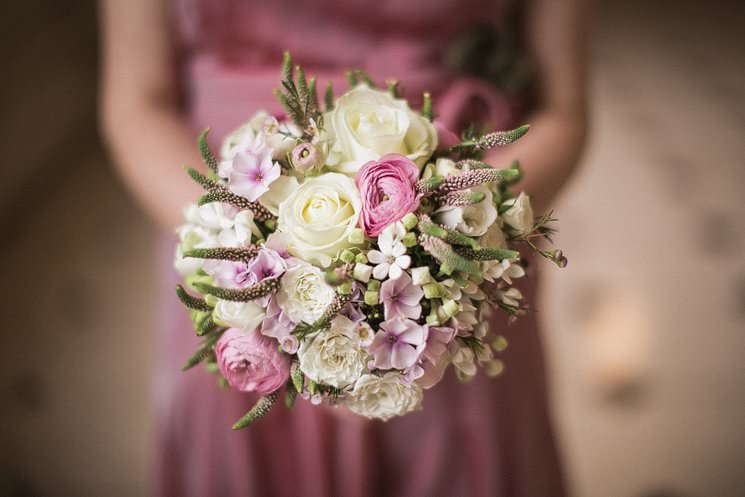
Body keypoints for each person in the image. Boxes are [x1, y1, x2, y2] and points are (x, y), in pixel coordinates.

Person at [99, 1, 588, 496]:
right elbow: (139, 102)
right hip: (234, 254)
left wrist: (452, 237)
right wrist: (257, 267)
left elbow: (563, 110)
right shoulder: (239, 257)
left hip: (454, 263)